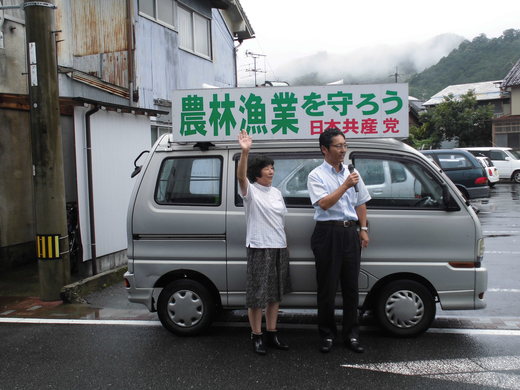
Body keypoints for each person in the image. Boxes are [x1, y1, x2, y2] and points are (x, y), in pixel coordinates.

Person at [306, 128, 371, 354]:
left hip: (349, 233)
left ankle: (351, 335)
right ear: (325, 149)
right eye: (338, 146)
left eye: (345, 145)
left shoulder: (353, 173)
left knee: (351, 288)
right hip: (327, 233)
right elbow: (323, 203)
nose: (343, 150)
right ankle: (326, 335)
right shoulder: (316, 175)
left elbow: (361, 202)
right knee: (327, 288)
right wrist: (344, 185)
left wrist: (363, 229)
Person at [237, 130, 292, 355]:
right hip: (260, 247)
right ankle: (256, 335)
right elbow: (241, 177)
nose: (271, 170)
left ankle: (271, 332)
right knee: (257, 295)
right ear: (257, 172)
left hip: (279, 246)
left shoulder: (277, 192)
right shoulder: (250, 191)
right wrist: (245, 152)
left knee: (275, 294)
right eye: (267, 167)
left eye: (272, 167)